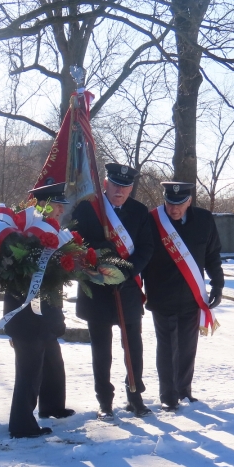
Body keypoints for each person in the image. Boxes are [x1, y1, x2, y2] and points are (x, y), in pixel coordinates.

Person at [72, 163, 155, 419]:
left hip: (127, 288)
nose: (120, 191)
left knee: (133, 347)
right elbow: (77, 243)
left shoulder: (139, 212)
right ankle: (104, 401)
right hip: (97, 287)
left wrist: (127, 272)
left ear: (131, 188)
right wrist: (100, 256)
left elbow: (146, 248)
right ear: (106, 184)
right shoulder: (88, 209)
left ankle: (135, 395)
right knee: (101, 349)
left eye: (125, 186)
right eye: (116, 185)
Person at [143, 181, 224, 412]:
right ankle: (168, 396)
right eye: (169, 203)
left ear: (189, 201)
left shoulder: (204, 220)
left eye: (179, 204)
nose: (174, 209)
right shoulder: (153, 220)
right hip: (162, 296)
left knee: (188, 347)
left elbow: (212, 255)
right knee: (167, 347)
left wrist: (218, 284)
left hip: (192, 296)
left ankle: (184, 391)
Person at [3, 183, 75, 439]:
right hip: (27, 317)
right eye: (57, 205)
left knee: (52, 361)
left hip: (45, 314)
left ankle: (52, 405)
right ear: (42, 205)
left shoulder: (53, 232)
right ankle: (21, 424)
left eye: (62, 206)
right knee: (29, 370)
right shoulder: (25, 233)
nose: (61, 210)